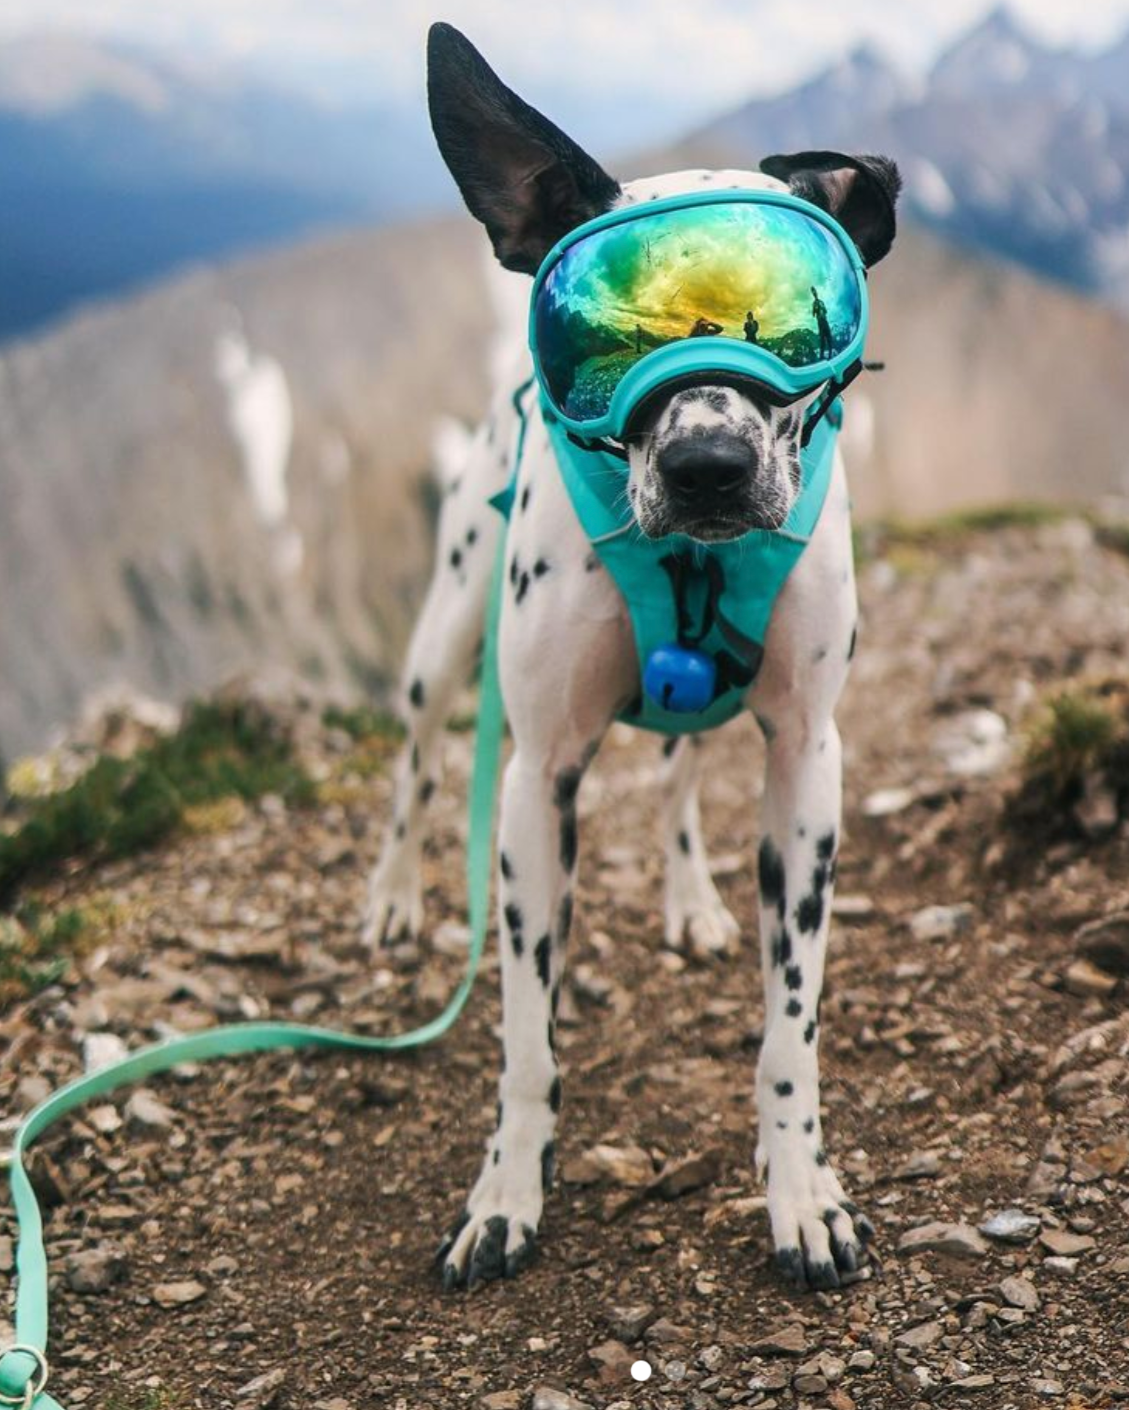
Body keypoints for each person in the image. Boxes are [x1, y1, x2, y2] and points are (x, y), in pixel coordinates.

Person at [811, 286, 833, 359]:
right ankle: (821, 357)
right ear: (812, 294)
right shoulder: (814, 303)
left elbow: (826, 311)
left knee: (829, 337)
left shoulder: (821, 302)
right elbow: (813, 314)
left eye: (815, 292)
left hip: (825, 320)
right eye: (813, 292)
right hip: (820, 322)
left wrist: (822, 308)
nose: (815, 293)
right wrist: (815, 309)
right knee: (822, 339)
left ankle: (830, 355)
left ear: (817, 293)